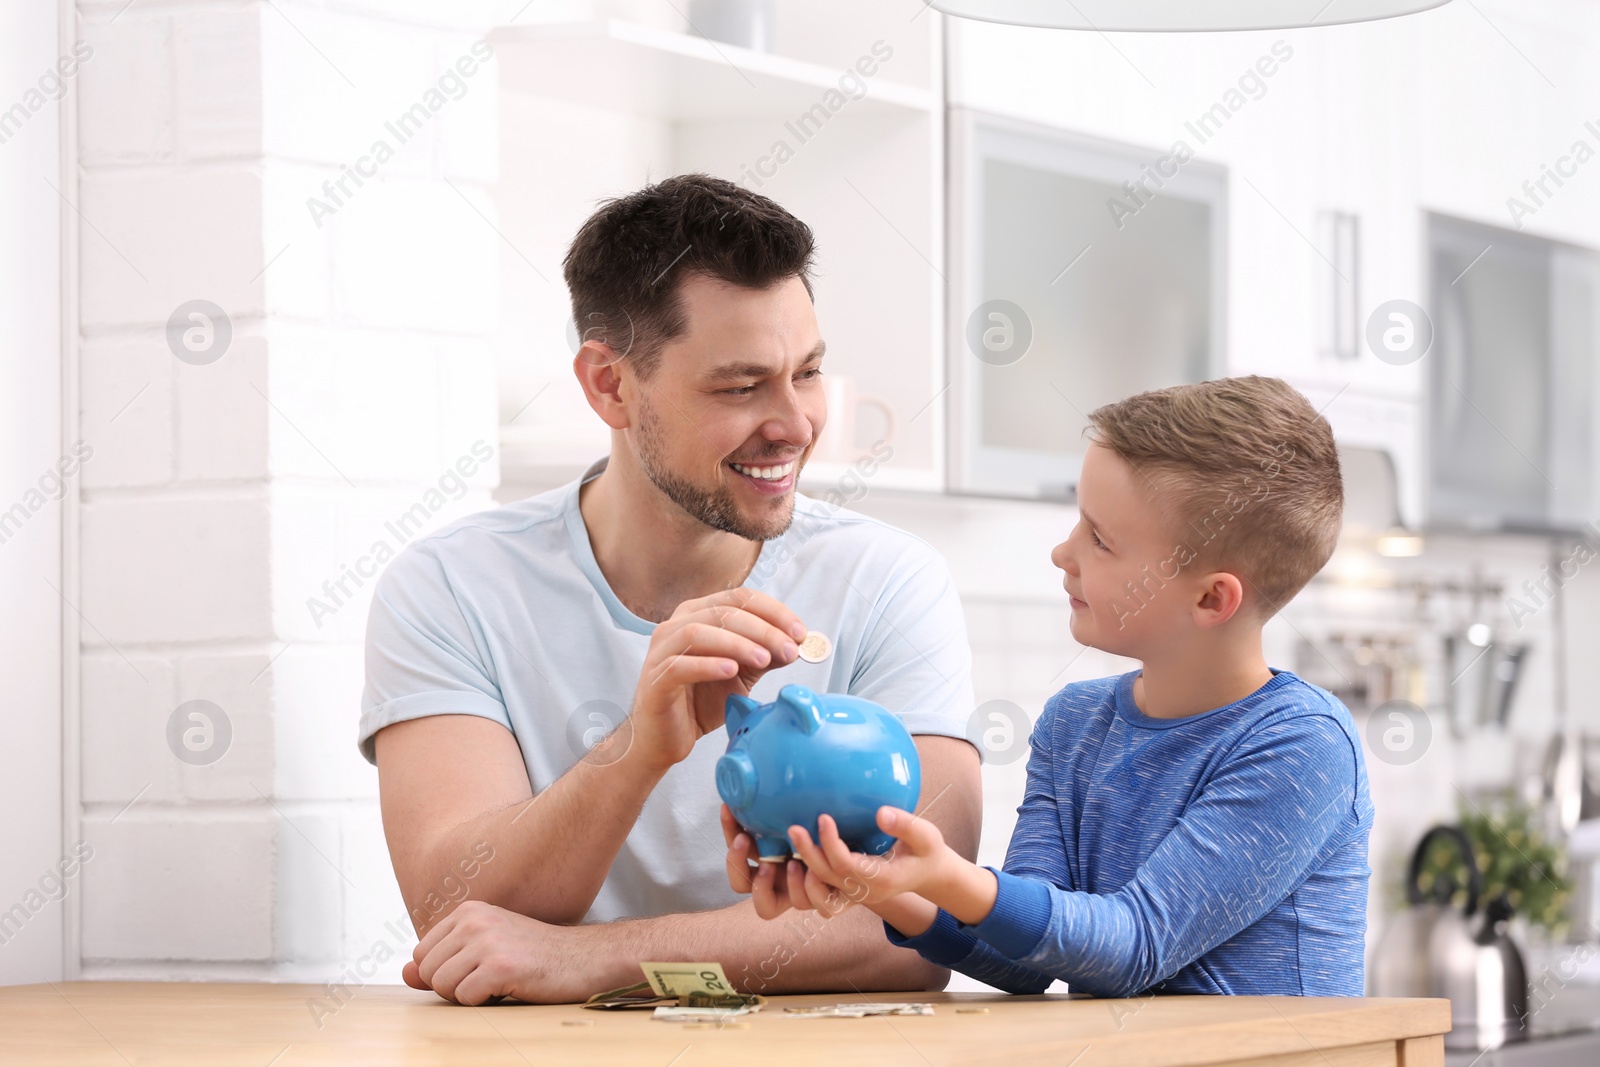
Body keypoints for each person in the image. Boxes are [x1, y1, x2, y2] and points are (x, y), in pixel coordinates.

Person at [360, 173, 982, 1006]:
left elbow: (924, 923)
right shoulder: (450, 586)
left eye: (808, 372)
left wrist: (597, 959)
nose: (796, 422)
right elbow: (454, 913)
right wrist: (638, 750)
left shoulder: (888, 579)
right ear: (609, 385)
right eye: (740, 385)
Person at [731, 376, 1374, 997]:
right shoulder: (1077, 722)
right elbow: (1025, 960)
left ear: (1211, 598)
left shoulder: (1302, 748)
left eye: (1100, 539)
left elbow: (1135, 945)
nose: (1063, 553)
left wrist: (952, 878)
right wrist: (883, 885)